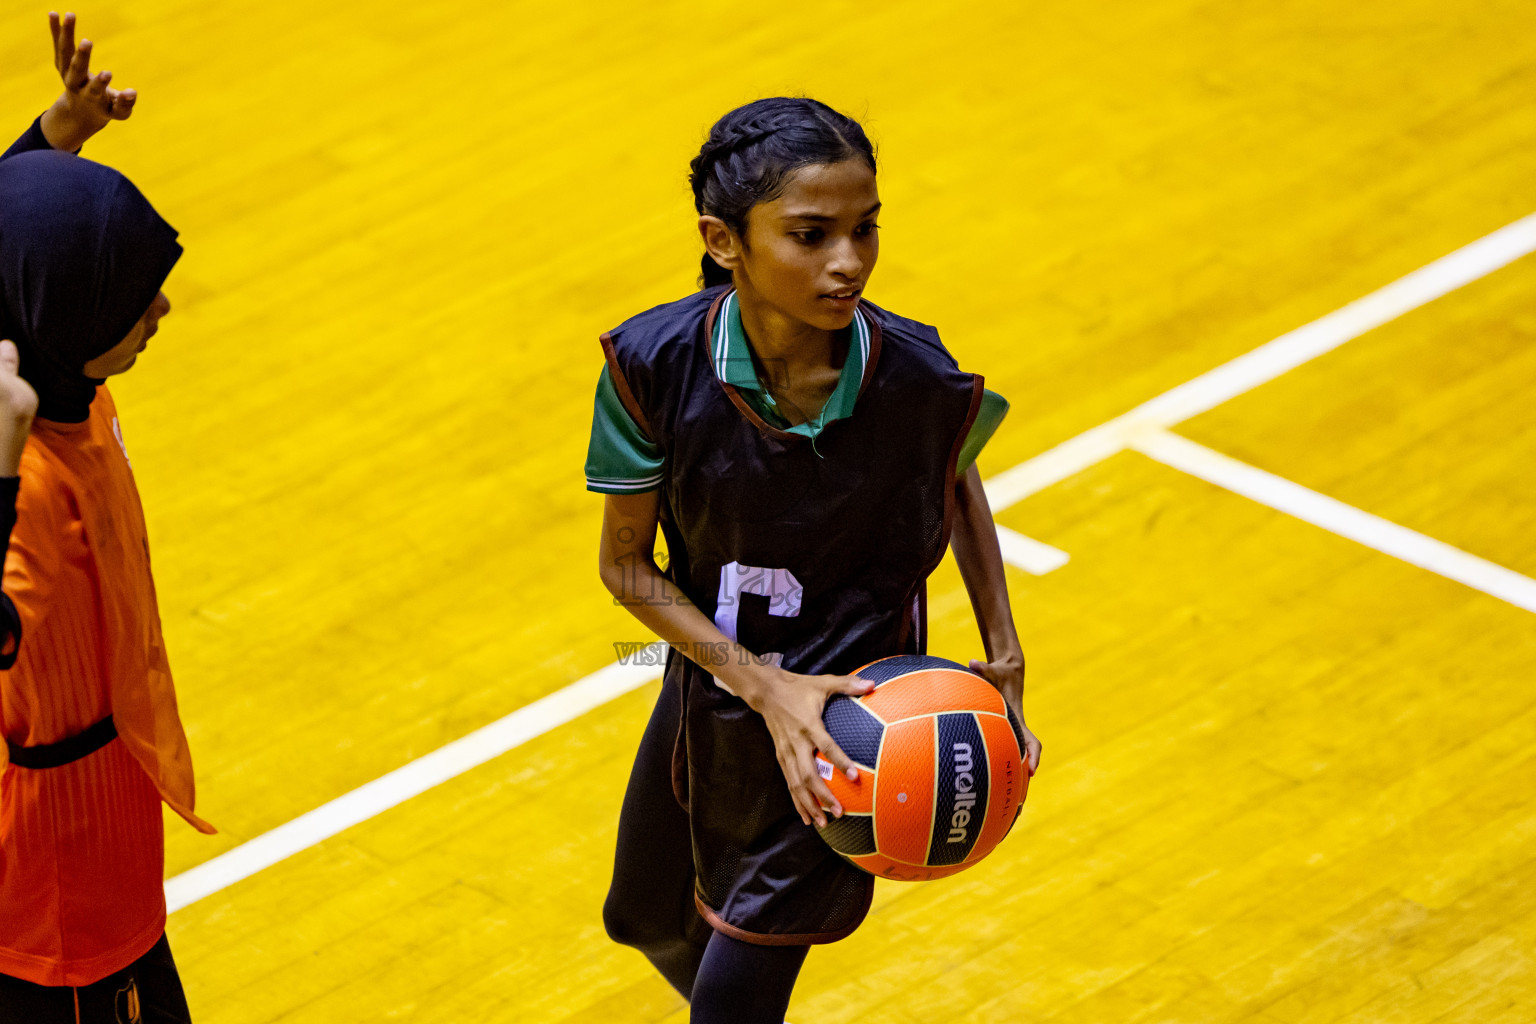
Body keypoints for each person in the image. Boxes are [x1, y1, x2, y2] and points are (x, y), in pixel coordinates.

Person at [586, 97, 1044, 1024]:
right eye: (811, 234)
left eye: (865, 229)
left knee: (731, 1001)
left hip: (850, 722)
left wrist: (1004, 651)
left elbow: (955, 483)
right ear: (724, 240)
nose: (850, 262)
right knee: (641, 918)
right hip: (718, 676)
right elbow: (627, 568)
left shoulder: (915, 373)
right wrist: (759, 685)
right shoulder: (652, 362)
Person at [0, 12, 213, 1023]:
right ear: (71, 318)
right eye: (134, 300)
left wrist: (53, 138)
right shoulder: (24, 475)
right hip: (57, 885)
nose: (159, 313)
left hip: (107, 842)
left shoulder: (52, 362)